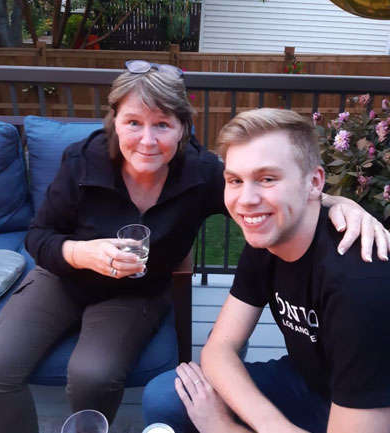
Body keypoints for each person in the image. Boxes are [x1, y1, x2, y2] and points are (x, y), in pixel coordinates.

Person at [0, 62, 387, 433]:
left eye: (162, 124)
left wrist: (341, 202)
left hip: (135, 292)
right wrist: (82, 253)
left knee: (93, 373)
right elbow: (39, 235)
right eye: (133, 122)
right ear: (115, 122)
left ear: (183, 129)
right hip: (62, 277)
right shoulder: (82, 160)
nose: (147, 140)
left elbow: (272, 200)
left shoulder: (202, 173)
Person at [142, 108, 390, 433]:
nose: (246, 199)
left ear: (314, 182)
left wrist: (223, 427)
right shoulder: (269, 239)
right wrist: (270, 424)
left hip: (367, 408)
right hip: (308, 382)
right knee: (166, 397)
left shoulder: (361, 285)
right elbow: (219, 348)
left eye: (267, 178)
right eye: (235, 180)